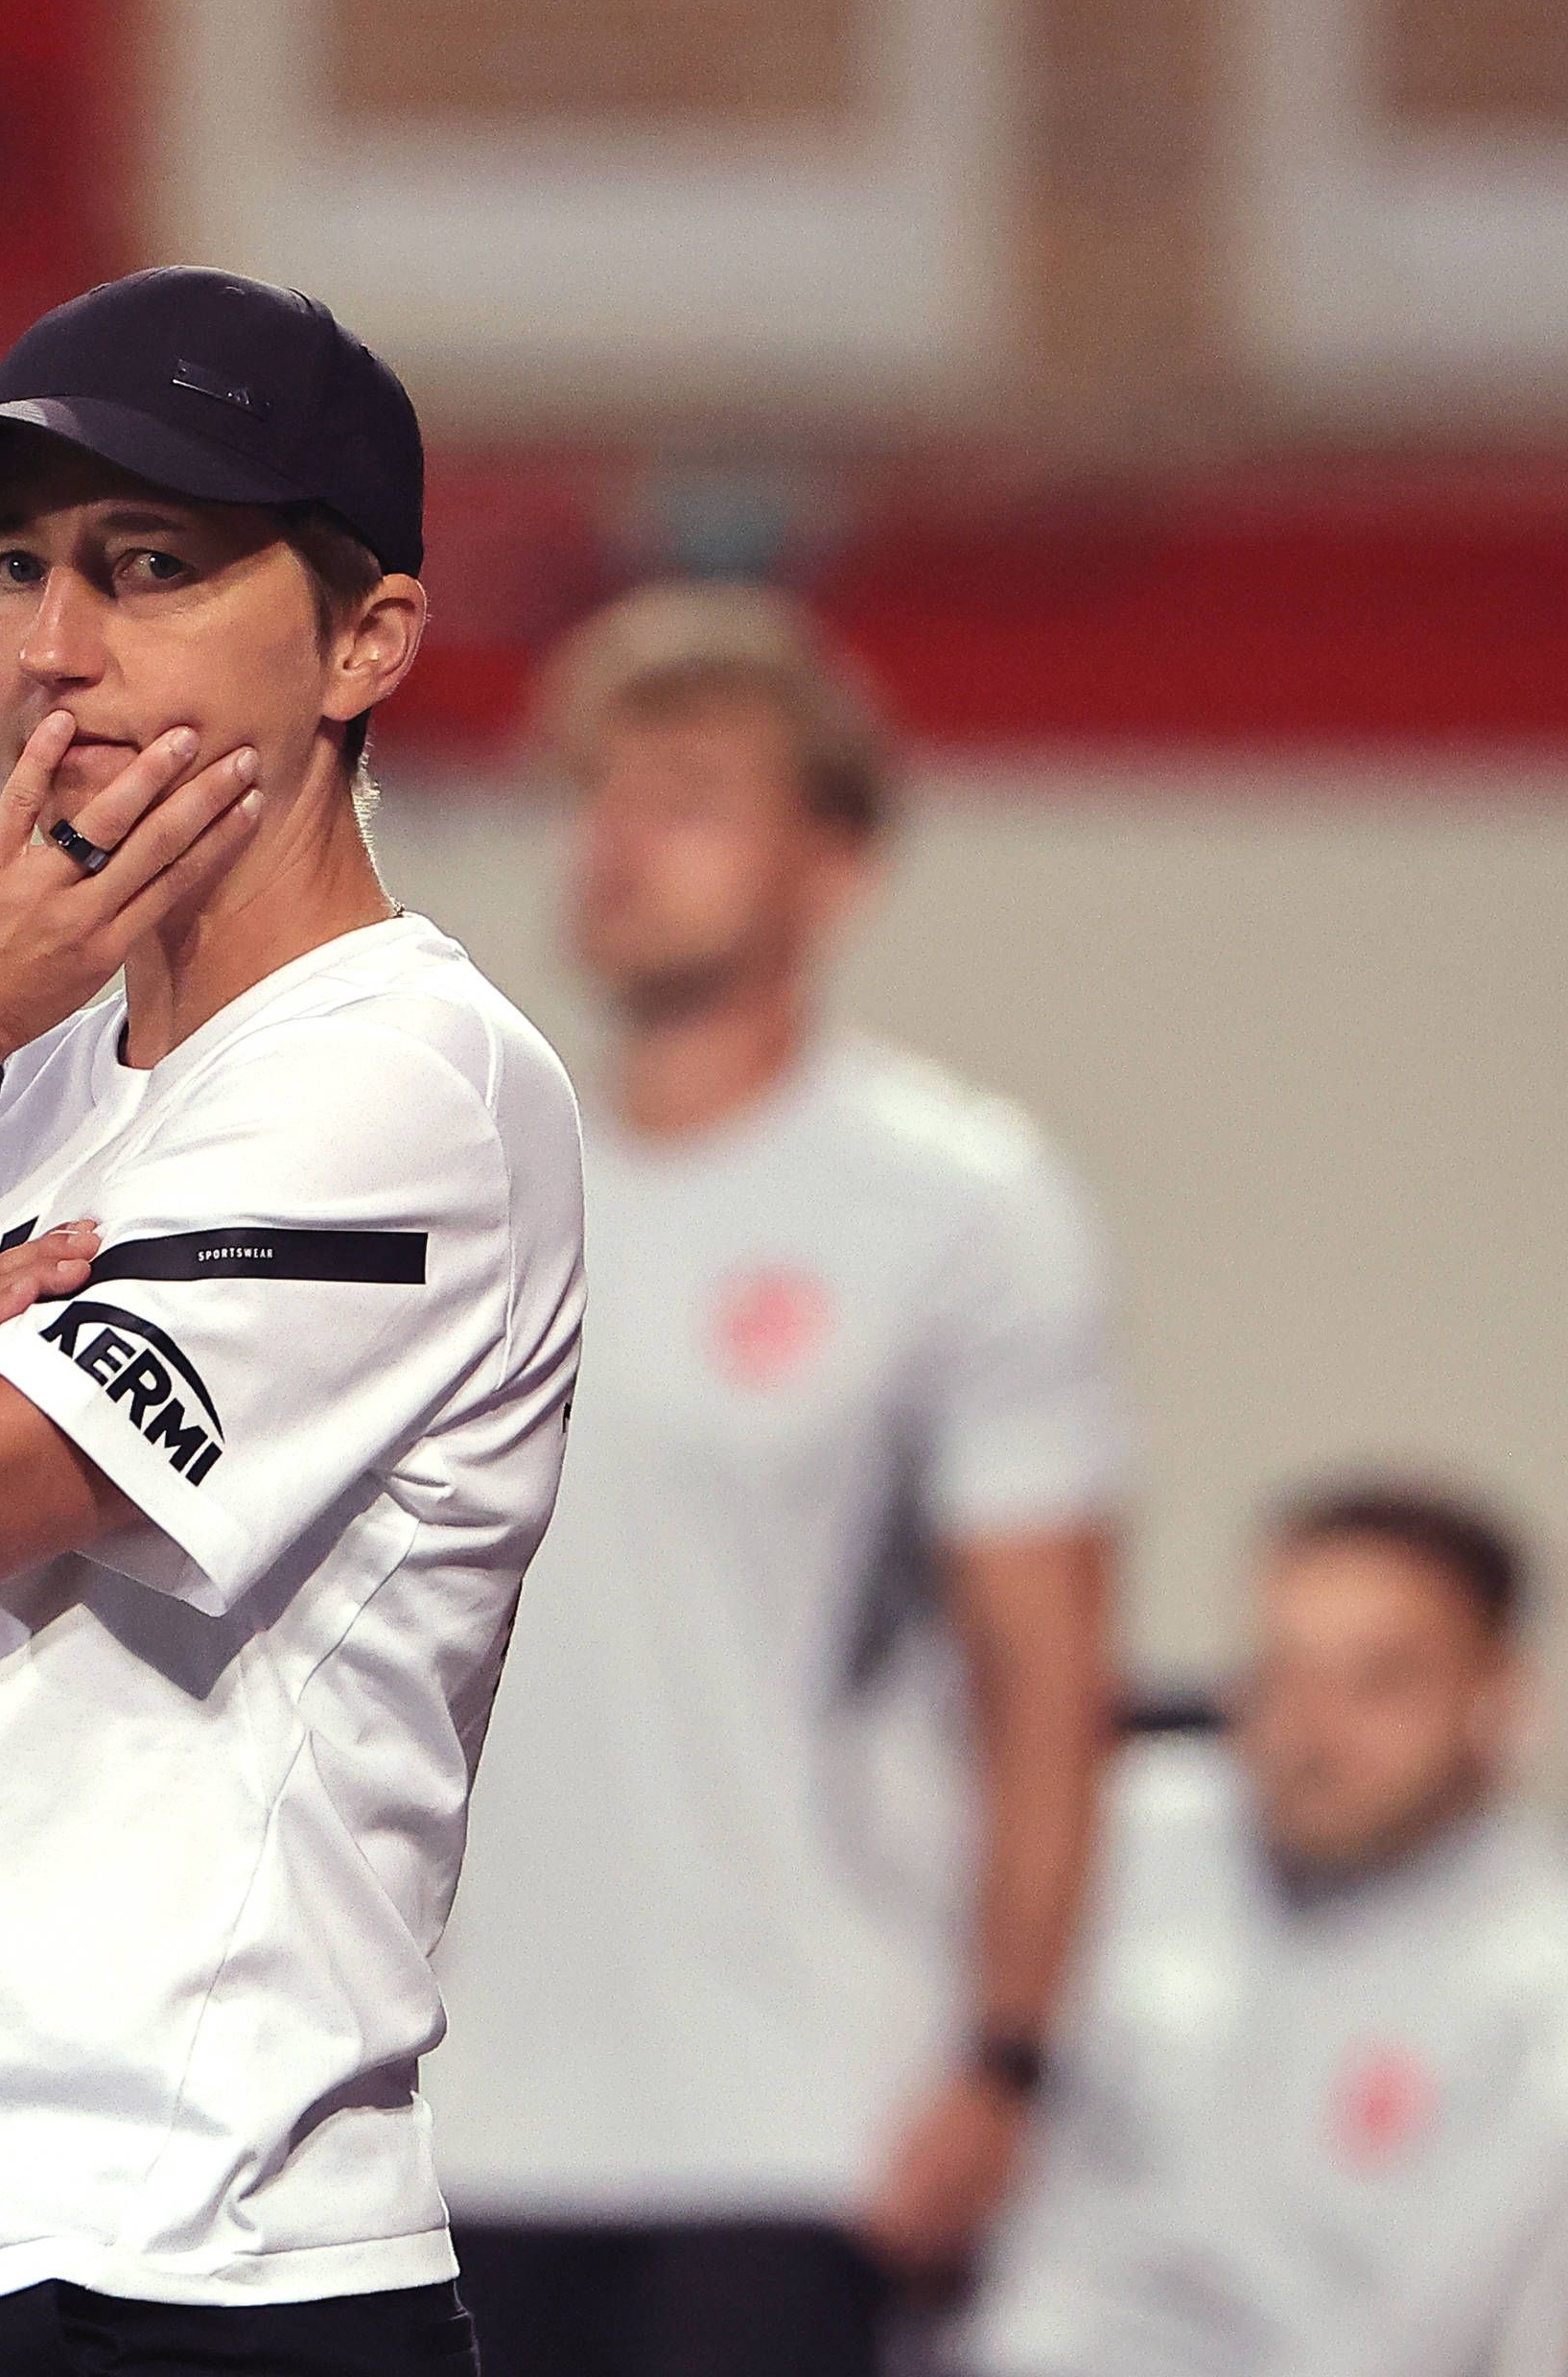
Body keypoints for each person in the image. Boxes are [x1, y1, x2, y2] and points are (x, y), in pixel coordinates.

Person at [0, 264, 586, 2373]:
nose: (50, 653)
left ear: (367, 640)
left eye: (149, 568)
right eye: (7, 571)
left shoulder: (401, 1080)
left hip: (164, 2260)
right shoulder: (0, 1079)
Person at [424, 582, 1130, 2377]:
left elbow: (1040, 1673)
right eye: (597, 792)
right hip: (443, 2109)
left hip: (787, 2115)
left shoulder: (952, 1208)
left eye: (686, 794)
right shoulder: (470, 1178)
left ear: (832, 865)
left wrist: (1005, 2058)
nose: (618, 841)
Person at [966, 1481, 1568, 2377]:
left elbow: (1438, 2344)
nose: (1311, 1731)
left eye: (1377, 1683)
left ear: (1502, 1702)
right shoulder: (1121, 1838)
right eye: (1282, 1674)